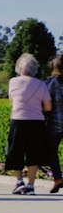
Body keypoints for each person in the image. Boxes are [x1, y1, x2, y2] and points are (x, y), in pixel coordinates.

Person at [5, 53, 51, 194]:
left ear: (19, 67)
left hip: (18, 120)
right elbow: (48, 106)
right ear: (35, 68)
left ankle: (19, 182)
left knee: (16, 152)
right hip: (36, 122)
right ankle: (31, 185)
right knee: (34, 153)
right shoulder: (41, 84)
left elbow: (12, 101)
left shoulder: (13, 82)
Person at [46, 55, 63, 194]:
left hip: (55, 124)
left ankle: (58, 178)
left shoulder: (49, 83)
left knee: (52, 152)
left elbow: (45, 105)